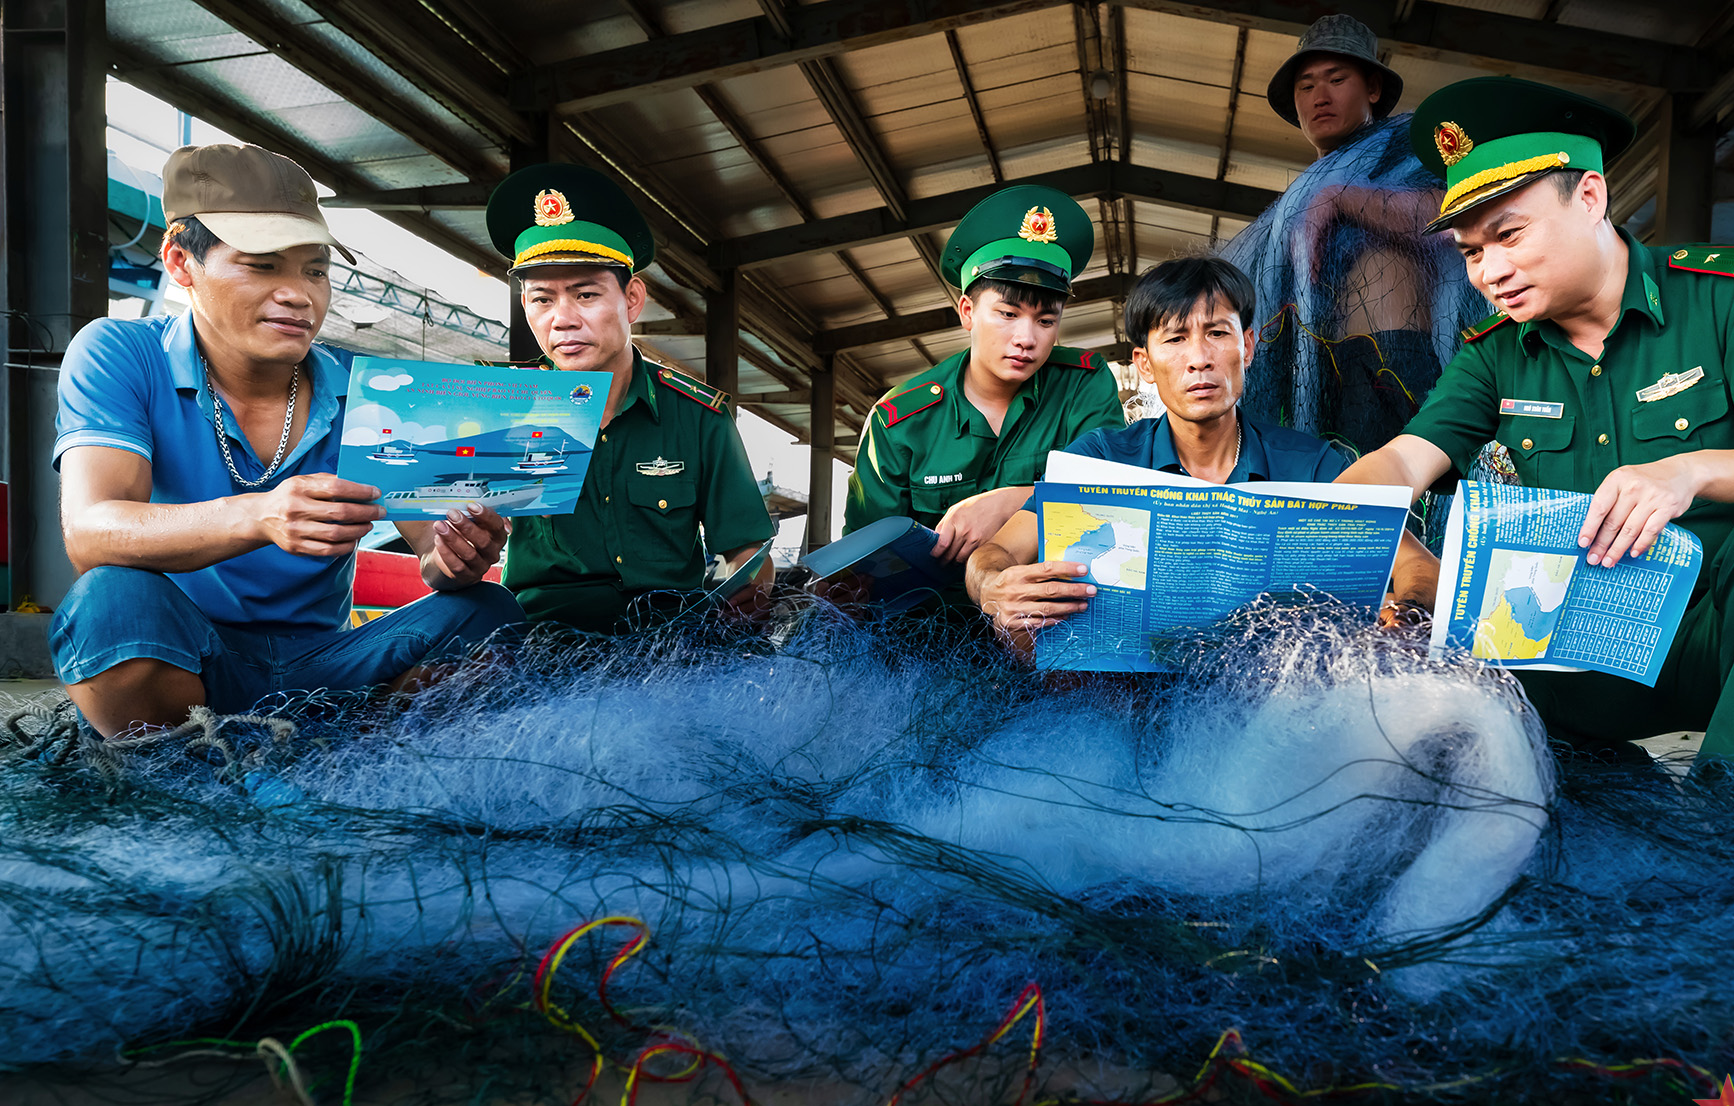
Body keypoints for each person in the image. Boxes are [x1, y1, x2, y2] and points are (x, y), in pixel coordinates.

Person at [1337, 76, 1734, 764]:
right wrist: (1357, 525)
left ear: (1589, 196)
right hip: (1571, 659)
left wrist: (1688, 472)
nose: (1490, 273)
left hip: (1719, 646)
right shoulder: (1497, 353)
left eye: (1509, 234)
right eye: (1471, 252)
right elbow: (1409, 459)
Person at [50, 144, 523, 737]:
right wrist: (258, 515)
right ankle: (181, 763)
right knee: (109, 601)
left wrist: (459, 552)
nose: (300, 293)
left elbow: (433, 557)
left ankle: (357, 748)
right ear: (179, 260)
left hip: (331, 662)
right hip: (191, 657)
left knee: (490, 614)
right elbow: (92, 532)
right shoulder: (119, 354)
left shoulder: (373, 389)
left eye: (316, 269)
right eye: (263, 264)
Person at [967, 255, 1438, 648]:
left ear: (1247, 346)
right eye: (1174, 339)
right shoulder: (1100, 459)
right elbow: (996, 551)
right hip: (1120, 696)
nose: (1199, 358)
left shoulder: (1313, 466)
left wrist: (1408, 612)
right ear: (1144, 364)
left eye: (1217, 333)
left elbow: (1417, 564)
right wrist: (994, 586)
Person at [484, 163, 774, 634]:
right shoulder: (501, 408)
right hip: (542, 645)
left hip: (671, 642)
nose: (563, 319)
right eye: (542, 299)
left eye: (585, 294)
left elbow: (747, 552)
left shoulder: (698, 418)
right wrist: (454, 554)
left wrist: (739, 622)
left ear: (632, 299)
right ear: (525, 306)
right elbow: (443, 563)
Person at [1221, 14, 1485, 471]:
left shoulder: (1408, 144)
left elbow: (1458, 209)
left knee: (1400, 510)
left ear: (1373, 90)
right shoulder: (1297, 196)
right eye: (1305, 87)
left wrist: (1346, 198)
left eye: (1337, 79)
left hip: (1394, 369)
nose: (1320, 96)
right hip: (1310, 380)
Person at [842, 185, 1125, 582]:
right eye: (1008, 314)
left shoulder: (1083, 385)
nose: (1027, 338)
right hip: (930, 627)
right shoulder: (900, 420)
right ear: (968, 311)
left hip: (1048, 616)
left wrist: (1013, 502)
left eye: (1046, 321)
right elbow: (865, 557)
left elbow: (1115, 497)